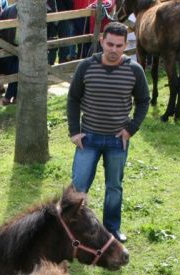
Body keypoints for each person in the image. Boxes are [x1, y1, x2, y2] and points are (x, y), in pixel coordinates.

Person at [67, 22, 149, 243]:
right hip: (89, 138)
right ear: (102, 41)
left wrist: (131, 129)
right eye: (110, 44)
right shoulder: (86, 67)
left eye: (119, 46)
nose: (113, 50)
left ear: (125, 46)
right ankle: (72, 231)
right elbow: (73, 98)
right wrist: (74, 131)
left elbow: (143, 101)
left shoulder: (134, 70)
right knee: (79, 187)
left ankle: (112, 229)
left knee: (114, 187)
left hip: (117, 141)